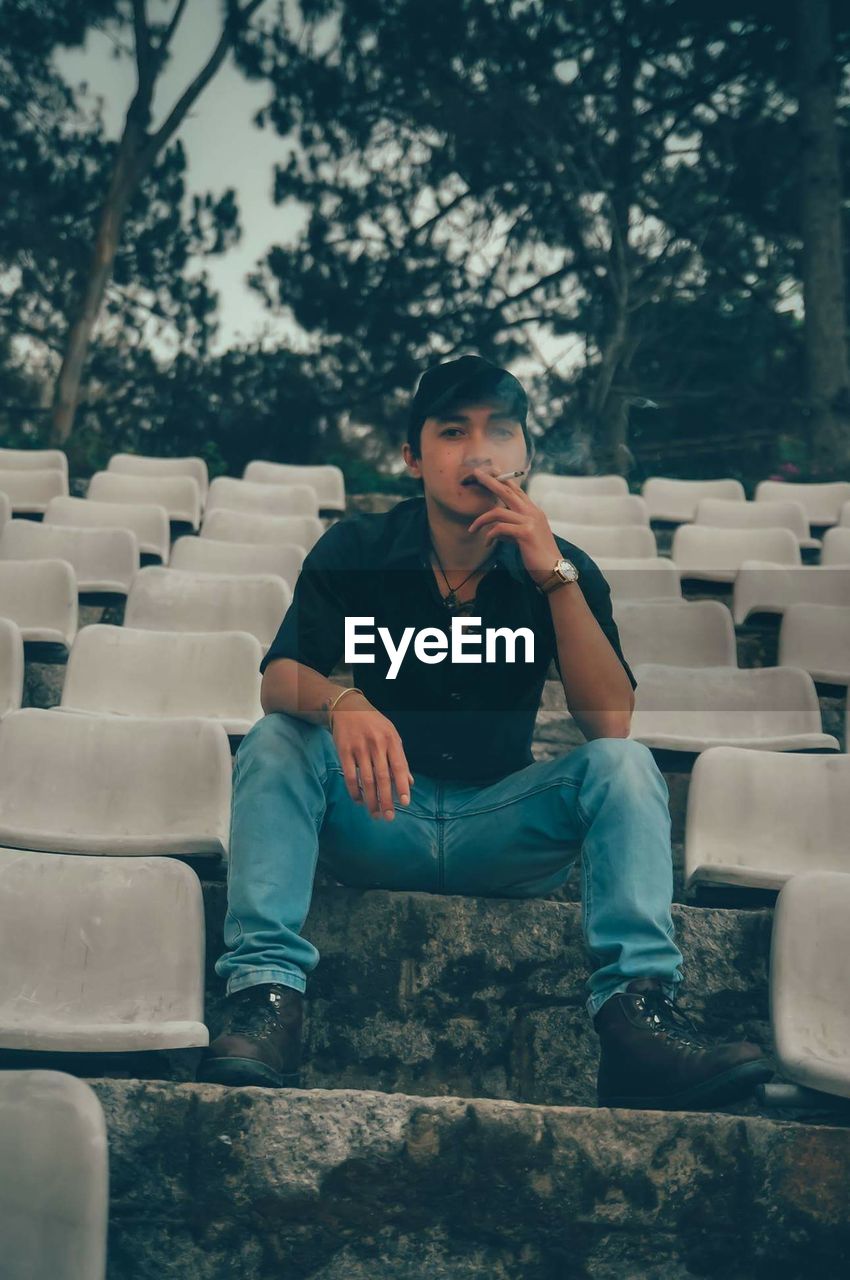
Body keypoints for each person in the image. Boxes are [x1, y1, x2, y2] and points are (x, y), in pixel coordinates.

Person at [198, 355, 772, 1110]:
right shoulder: (358, 551)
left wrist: (552, 576)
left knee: (624, 765)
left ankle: (638, 1017)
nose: (479, 451)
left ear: (526, 455)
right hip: (379, 816)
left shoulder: (562, 568)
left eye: (500, 431)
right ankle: (266, 996)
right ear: (413, 455)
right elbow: (279, 678)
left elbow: (609, 722)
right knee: (277, 739)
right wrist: (345, 701)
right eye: (452, 431)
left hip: (500, 828)